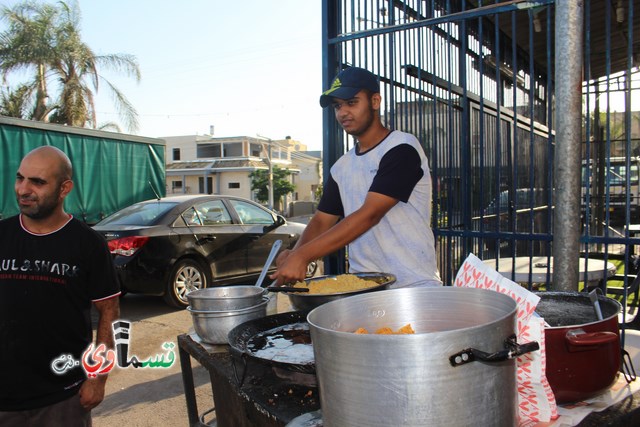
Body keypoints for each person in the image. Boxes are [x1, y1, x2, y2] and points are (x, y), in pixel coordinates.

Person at [271, 66, 441, 288]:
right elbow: (322, 221)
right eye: (337, 106)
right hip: (364, 288)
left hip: (413, 286)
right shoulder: (342, 167)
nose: (342, 112)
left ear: (375, 101)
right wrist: (294, 254)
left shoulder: (402, 148)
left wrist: (302, 257)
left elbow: (369, 215)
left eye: (351, 102)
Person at [0, 146, 120, 426]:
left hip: (63, 398)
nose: (23, 189)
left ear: (64, 188)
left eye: (37, 182)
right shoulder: (1, 236)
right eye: (20, 178)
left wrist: (98, 378)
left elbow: (109, 312)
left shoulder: (88, 244)